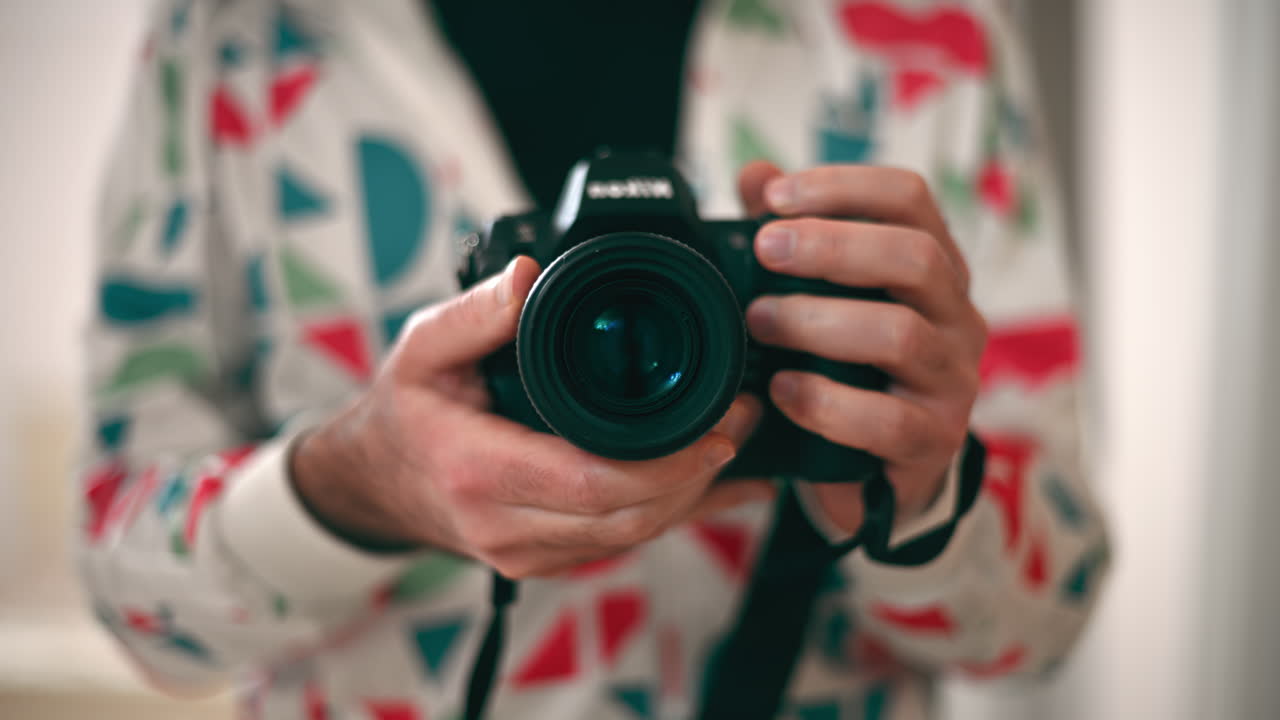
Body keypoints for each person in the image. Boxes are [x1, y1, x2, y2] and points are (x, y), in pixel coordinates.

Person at [79, 1, 1110, 718]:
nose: (623, 345)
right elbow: (131, 597)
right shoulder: (230, 35)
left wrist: (916, 495)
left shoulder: (930, 32)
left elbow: (1044, 624)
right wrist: (358, 484)